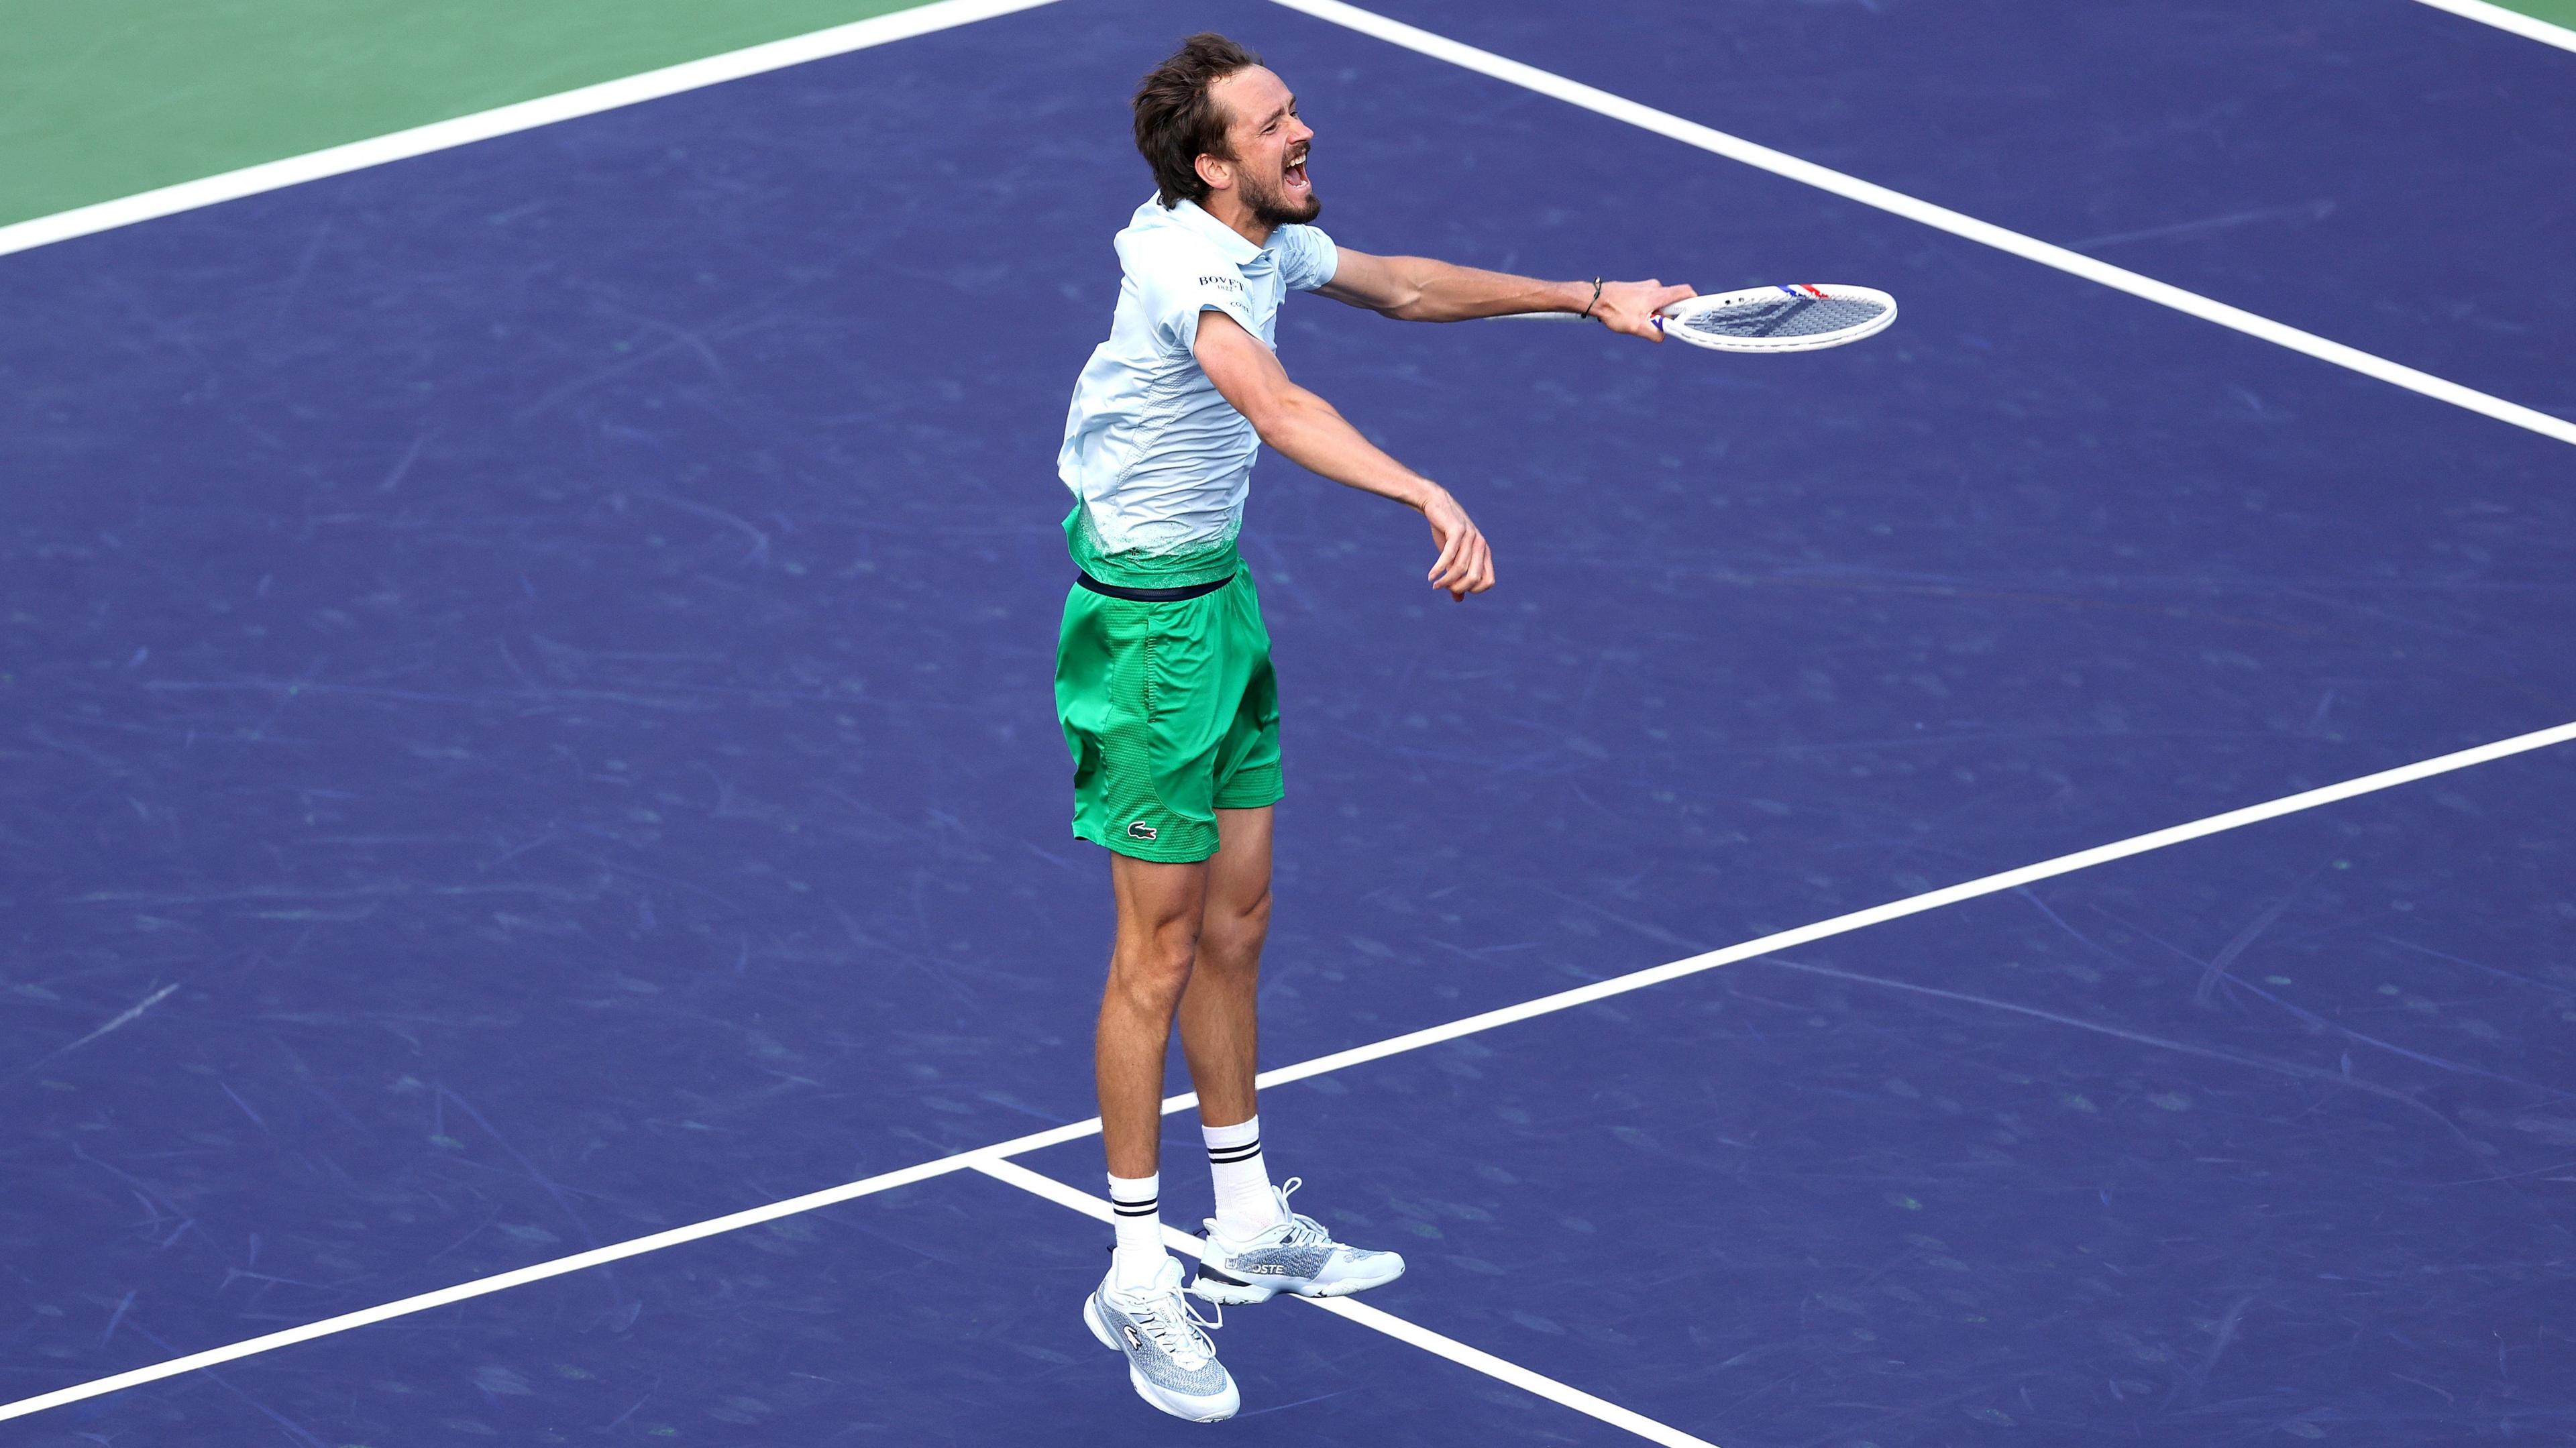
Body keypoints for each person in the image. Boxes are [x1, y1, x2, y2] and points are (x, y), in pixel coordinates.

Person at [1056, 32, 1690, 1422]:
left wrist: (1592, 299)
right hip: (1145, 643)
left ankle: (1241, 1220)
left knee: (1237, 925)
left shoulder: (1260, 237)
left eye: (1297, 113)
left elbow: (1400, 286)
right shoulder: (1188, 267)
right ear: (1212, 163)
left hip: (1215, 607)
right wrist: (1422, 490)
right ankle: (1135, 1273)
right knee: (1153, 952)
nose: (1307, 135)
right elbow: (1276, 408)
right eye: (1276, 125)